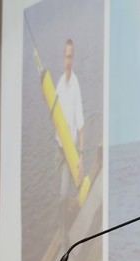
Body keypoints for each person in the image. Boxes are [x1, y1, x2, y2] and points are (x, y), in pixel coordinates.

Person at [55, 38, 85, 248]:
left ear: (73, 58)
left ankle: (66, 238)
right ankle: (64, 233)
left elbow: (81, 124)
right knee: (61, 195)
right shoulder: (58, 82)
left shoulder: (75, 85)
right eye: (65, 56)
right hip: (59, 148)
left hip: (71, 152)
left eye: (70, 56)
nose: (68, 60)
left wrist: (81, 155)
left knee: (64, 194)